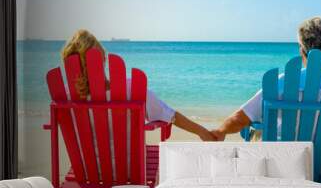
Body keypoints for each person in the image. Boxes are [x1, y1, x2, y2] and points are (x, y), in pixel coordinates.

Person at [211, 17, 321, 141]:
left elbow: (240, 119)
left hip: (281, 160)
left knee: (255, 132)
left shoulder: (283, 82)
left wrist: (220, 131)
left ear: (302, 50)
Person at [62, 29, 215, 141]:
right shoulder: (132, 89)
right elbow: (170, 116)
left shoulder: (66, 97)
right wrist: (203, 132)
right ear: (102, 59)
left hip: (86, 171)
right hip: (129, 168)